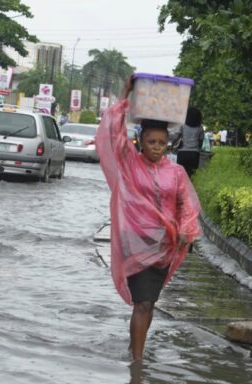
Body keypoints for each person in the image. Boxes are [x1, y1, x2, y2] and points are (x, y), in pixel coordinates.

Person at [96, 77, 201, 362]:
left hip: (164, 247)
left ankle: (135, 351)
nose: (157, 147)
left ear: (168, 143)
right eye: (151, 141)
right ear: (140, 141)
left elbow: (186, 203)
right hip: (136, 243)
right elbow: (113, 133)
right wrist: (126, 93)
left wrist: (186, 228)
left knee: (149, 302)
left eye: (162, 142)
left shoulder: (175, 172)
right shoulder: (129, 163)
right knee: (143, 302)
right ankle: (138, 364)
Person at [175, 107, 205, 178]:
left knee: (181, 174)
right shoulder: (200, 128)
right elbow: (201, 142)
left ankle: (181, 188)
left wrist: (173, 145)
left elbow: (177, 137)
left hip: (182, 153)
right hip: (194, 154)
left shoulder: (183, 125)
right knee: (191, 174)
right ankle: (190, 187)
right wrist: (198, 149)